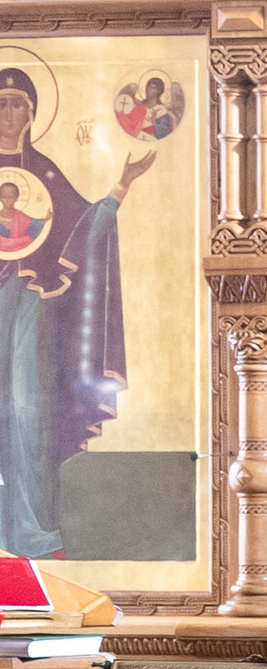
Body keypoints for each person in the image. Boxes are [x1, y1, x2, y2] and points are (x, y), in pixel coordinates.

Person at [0, 61, 155, 563]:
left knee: (27, 408)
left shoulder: (42, 172)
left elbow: (80, 223)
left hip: (31, 299)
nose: (7, 112)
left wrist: (119, 188)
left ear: (31, 113)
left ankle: (35, 534)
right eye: (1, 103)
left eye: (17, 103)